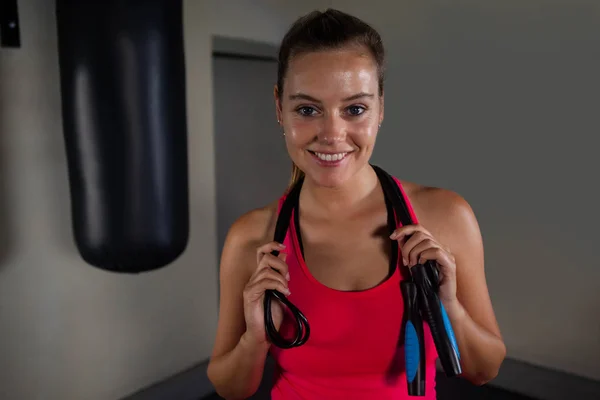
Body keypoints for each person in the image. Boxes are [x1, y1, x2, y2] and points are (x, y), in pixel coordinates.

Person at [207, 8, 506, 400]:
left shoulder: (445, 217)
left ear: (381, 107)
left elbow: (485, 369)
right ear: (280, 108)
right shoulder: (251, 239)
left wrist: (448, 304)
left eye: (355, 109)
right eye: (308, 109)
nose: (332, 134)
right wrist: (256, 339)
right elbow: (230, 388)